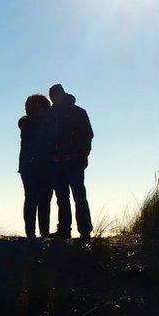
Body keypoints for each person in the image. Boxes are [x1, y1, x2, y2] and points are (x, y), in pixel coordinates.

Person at [46, 83, 94, 240]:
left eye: (56, 95)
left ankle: (85, 231)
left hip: (74, 162)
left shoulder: (78, 112)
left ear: (63, 94)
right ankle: (64, 230)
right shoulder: (50, 114)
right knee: (62, 198)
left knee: (79, 196)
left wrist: (83, 156)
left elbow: (88, 135)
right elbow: (44, 137)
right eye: (52, 96)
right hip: (56, 162)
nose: (54, 98)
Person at [18, 94, 53, 239]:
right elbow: (24, 126)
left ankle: (44, 232)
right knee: (31, 199)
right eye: (35, 107)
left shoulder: (48, 123)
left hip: (47, 166)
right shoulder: (27, 123)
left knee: (45, 200)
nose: (38, 110)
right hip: (29, 167)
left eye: (41, 107)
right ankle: (30, 232)